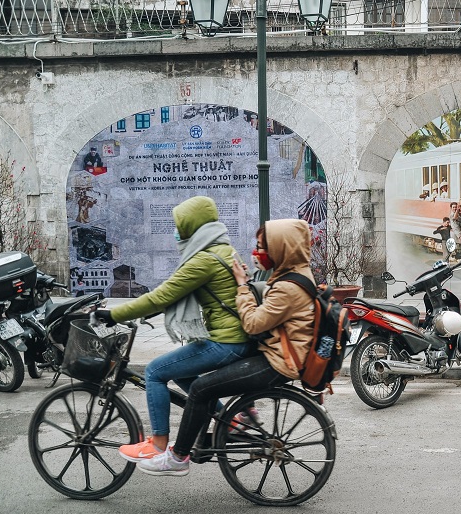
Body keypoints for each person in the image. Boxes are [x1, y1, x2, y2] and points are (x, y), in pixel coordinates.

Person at [136, 219, 317, 476]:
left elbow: (254, 323)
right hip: (280, 352)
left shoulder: (288, 286)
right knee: (201, 379)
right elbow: (269, 309)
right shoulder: (294, 273)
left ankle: (177, 458)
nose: (257, 252)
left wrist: (242, 285)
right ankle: (233, 421)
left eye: (263, 247)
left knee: (200, 389)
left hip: (279, 362)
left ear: (281, 248)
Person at [95, 196, 256, 462]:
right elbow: (173, 295)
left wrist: (113, 314)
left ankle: (158, 444)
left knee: (155, 371)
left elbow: (160, 296)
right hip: (237, 338)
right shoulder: (224, 250)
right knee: (182, 373)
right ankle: (229, 420)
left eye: (179, 225)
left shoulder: (204, 260)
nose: (176, 231)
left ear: (191, 226)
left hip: (227, 342)